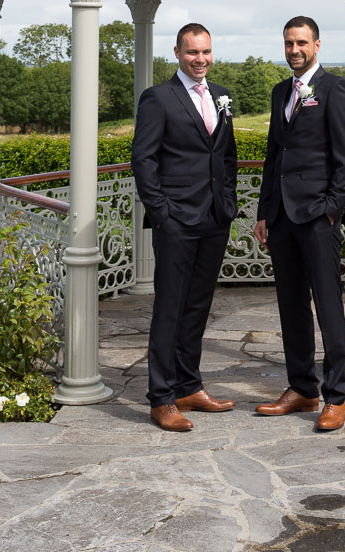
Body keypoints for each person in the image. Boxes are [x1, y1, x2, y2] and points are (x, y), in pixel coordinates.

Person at [253, 16, 345, 431]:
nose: (294, 50)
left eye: (301, 43)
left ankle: (335, 396)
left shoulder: (335, 89)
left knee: (328, 306)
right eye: (288, 43)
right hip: (281, 218)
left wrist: (332, 209)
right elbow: (273, 157)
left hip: (317, 216)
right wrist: (264, 211)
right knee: (291, 306)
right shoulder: (282, 90)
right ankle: (302, 388)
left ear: (317, 45)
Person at [131, 22, 238, 431]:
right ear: (177, 52)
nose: (201, 60)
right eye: (193, 52)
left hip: (214, 219)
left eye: (206, 52)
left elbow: (226, 155)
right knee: (169, 307)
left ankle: (188, 385)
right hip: (175, 221)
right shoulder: (158, 98)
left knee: (198, 306)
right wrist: (162, 214)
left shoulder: (220, 95)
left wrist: (226, 202)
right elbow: (144, 160)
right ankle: (160, 397)